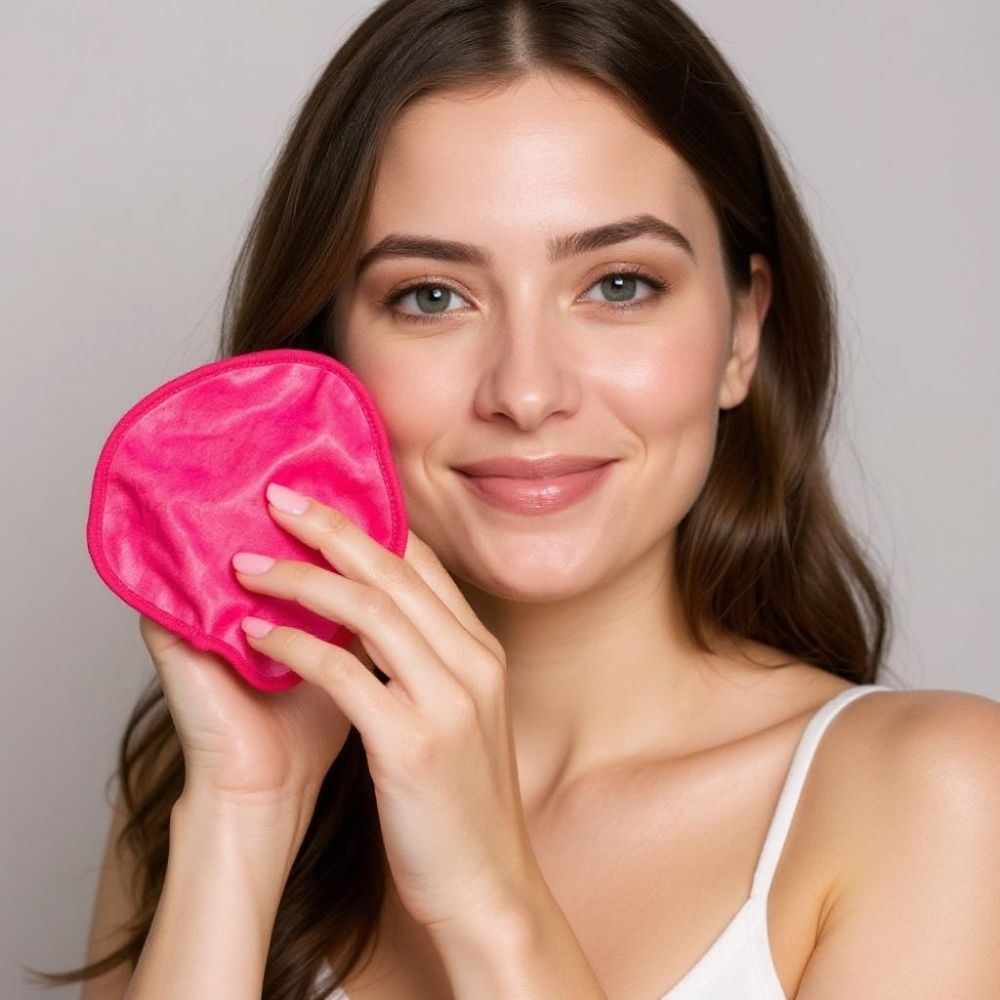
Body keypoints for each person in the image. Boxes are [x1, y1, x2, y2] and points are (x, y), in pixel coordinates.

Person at [31, 1, 999, 997]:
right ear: (326, 361)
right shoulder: (199, 788)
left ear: (742, 333)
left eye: (618, 285)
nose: (527, 393)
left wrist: (489, 897)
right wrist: (247, 810)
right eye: (432, 296)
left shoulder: (935, 794)